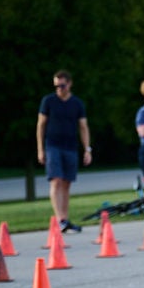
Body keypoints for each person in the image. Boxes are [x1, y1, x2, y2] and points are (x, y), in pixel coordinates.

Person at [36, 70, 91, 233]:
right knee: (56, 180)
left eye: (62, 85)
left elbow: (83, 126)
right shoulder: (49, 101)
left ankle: (65, 219)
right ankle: (59, 218)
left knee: (67, 183)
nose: (59, 89)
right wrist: (40, 149)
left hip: (71, 146)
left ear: (69, 84)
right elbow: (40, 125)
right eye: (56, 86)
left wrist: (87, 149)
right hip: (53, 145)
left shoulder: (77, 103)